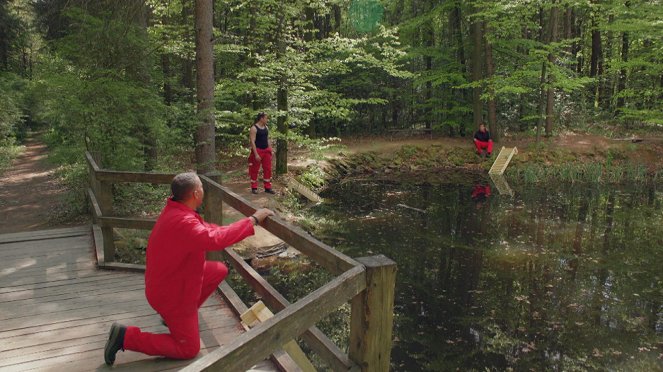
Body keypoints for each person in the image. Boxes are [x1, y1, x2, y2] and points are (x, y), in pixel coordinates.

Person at [104, 172, 274, 365]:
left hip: (171, 281)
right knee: (188, 349)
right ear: (195, 193)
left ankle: (178, 319)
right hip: (170, 295)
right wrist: (253, 220)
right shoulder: (183, 221)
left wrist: (246, 222)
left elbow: (209, 231)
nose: (203, 190)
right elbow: (215, 239)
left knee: (218, 270)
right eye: (202, 187)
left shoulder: (177, 211)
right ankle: (125, 337)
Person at [249, 112, 275, 194]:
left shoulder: (266, 127)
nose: (267, 120)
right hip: (258, 150)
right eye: (266, 118)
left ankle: (267, 187)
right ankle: (254, 187)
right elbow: (252, 142)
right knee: (254, 169)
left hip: (266, 151)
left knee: (268, 169)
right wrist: (256, 154)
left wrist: (270, 149)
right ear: (261, 118)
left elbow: (267, 139)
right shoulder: (254, 128)